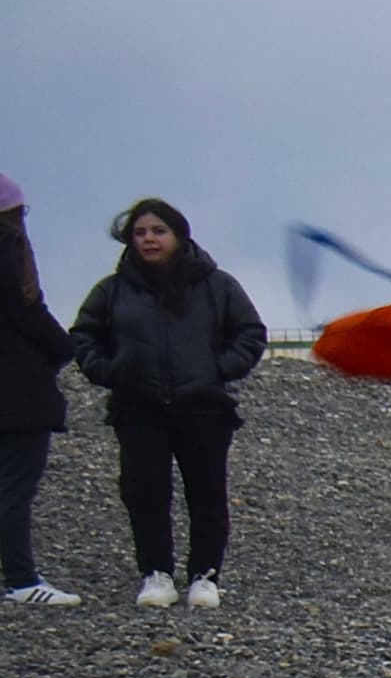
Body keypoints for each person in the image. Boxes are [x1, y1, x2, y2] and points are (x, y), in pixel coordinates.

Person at [67, 198, 266, 610]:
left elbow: (250, 332)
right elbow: (84, 336)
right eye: (140, 233)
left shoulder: (217, 285)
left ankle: (205, 576)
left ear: (179, 235)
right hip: (138, 407)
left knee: (206, 494)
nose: (149, 239)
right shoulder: (112, 290)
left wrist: (218, 369)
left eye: (158, 231)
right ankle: (156, 573)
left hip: (203, 407)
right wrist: (110, 371)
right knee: (144, 492)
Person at [0, 176, 77, 607]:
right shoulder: (8, 250)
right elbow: (28, 311)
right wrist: (63, 348)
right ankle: (21, 579)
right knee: (15, 486)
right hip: (18, 391)